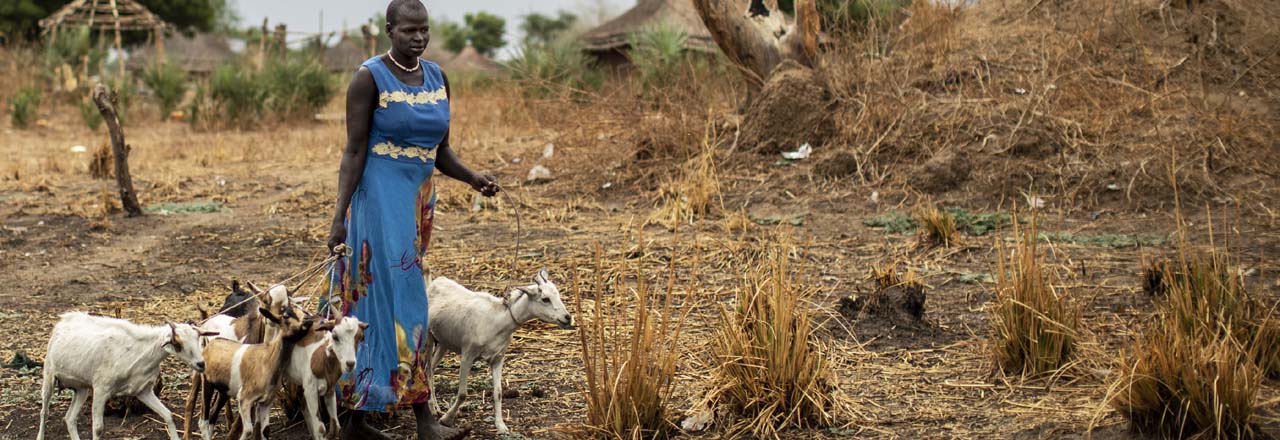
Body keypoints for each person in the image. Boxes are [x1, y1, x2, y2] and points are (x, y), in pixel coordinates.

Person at [325, 1, 497, 439]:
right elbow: (353, 151)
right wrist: (339, 216)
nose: (418, 37)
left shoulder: (438, 77)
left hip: (418, 202)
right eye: (408, 31)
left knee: (389, 302)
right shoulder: (368, 78)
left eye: (424, 30)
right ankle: (422, 422)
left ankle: (356, 423)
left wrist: (474, 178)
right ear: (389, 30)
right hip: (378, 201)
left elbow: (440, 151)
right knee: (398, 302)